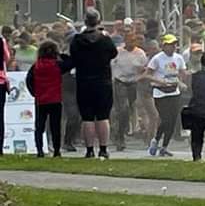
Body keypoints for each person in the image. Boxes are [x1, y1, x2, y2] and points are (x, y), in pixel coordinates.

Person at [69, 8, 118, 159]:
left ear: (85, 22)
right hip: (103, 81)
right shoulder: (105, 39)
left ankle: (89, 150)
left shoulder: (77, 40)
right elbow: (113, 53)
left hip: (84, 81)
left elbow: (73, 56)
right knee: (103, 116)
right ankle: (103, 149)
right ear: (99, 21)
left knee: (87, 117)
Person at [144, 33, 187, 158]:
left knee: (173, 121)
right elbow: (148, 74)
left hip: (174, 91)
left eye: (175, 44)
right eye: (170, 45)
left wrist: (182, 81)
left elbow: (181, 73)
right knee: (165, 119)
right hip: (160, 92)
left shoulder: (178, 58)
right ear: (164, 46)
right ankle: (156, 140)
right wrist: (159, 81)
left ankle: (164, 147)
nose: (174, 47)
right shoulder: (157, 59)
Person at [111, 28, 147, 152]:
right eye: (128, 40)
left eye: (132, 40)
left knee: (131, 108)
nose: (130, 43)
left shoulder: (140, 53)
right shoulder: (118, 52)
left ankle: (124, 129)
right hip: (120, 82)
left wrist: (141, 77)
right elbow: (111, 65)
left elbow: (144, 69)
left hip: (133, 83)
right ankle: (120, 136)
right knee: (123, 108)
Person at [26, 40, 64, 158]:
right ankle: (57, 151)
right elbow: (70, 61)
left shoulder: (36, 65)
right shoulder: (58, 65)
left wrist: (34, 93)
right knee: (55, 126)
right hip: (55, 99)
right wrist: (60, 55)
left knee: (39, 126)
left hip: (41, 100)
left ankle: (39, 150)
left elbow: (29, 80)